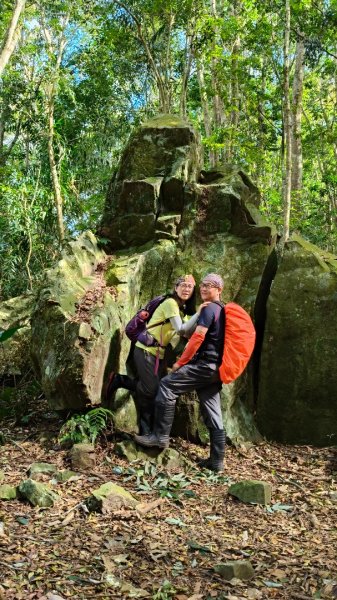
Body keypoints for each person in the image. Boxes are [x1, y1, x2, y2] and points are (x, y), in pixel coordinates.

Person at [134, 273, 226, 473]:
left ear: (219, 290)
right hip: (216, 369)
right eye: (202, 285)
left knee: (166, 386)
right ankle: (217, 461)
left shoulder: (209, 308)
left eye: (209, 286)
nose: (203, 289)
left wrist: (180, 363)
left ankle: (159, 437)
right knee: (213, 411)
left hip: (203, 365)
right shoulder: (222, 309)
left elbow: (196, 338)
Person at [108, 274, 205, 435]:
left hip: (158, 354)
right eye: (183, 285)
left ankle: (148, 430)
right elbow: (181, 329)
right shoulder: (171, 303)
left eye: (190, 286)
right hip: (145, 349)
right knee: (150, 389)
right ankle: (119, 381)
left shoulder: (181, 309)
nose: (186, 289)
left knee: (153, 389)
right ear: (176, 287)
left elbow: (186, 332)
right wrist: (199, 313)